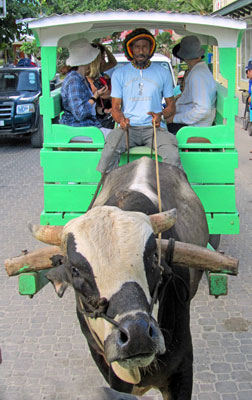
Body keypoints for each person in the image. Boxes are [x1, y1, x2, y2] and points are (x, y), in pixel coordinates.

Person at [97, 28, 181, 174]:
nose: (141, 51)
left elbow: (171, 107)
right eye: (137, 47)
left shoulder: (163, 73)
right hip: (128, 128)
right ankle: (111, 191)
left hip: (154, 129)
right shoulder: (120, 74)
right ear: (131, 50)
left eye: (144, 47)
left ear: (150, 49)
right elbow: (116, 108)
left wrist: (160, 115)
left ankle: (169, 195)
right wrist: (121, 119)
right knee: (107, 155)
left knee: (173, 156)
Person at [60, 38, 111, 138]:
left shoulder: (81, 78)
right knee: (120, 137)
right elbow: (80, 113)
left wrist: (105, 111)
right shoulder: (74, 80)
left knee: (119, 135)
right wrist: (95, 96)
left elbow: (87, 109)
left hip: (87, 127)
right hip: (78, 130)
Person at [166, 36, 217, 134]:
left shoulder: (197, 75)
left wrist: (175, 119)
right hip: (191, 124)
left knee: (156, 133)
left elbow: (202, 109)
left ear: (184, 57)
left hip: (193, 128)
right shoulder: (198, 70)